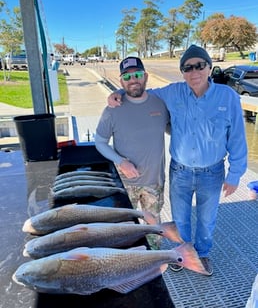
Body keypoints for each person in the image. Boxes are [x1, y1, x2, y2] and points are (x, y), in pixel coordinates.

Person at [107, 45, 248, 275]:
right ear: (182, 72)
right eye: (188, 67)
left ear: (209, 67)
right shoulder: (172, 92)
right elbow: (143, 92)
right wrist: (119, 93)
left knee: (206, 220)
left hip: (212, 173)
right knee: (180, 218)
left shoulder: (228, 97)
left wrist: (235, 175)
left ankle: (201, 254)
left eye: (200, 65)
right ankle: (182, 253)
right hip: (180, 171)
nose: (194, 72)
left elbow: (237, 139)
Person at [95, 56, 170, 248]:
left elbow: (173, 129)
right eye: (127, 77)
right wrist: (120, 161)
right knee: (124, 226)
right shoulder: (112, 110)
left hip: (154, 182)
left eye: (137, 75)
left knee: (153, 224)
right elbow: (100, 142)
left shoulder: (160, 104)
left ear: (145, 76)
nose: (133, 80)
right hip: (125, 183)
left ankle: (154, 256)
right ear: (121, 81)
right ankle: (128, 257)